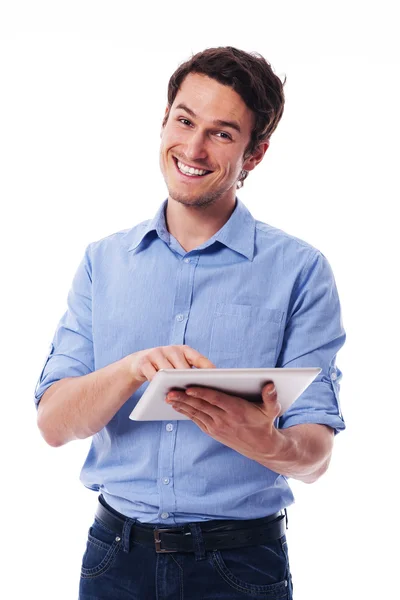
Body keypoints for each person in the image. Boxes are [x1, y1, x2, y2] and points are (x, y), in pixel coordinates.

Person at [34, 46, 345, 599]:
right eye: (184, 121)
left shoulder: (301, 271)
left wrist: (264, 443)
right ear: (164, 122)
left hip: (241, 565)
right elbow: (54, 424)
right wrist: (131, 370)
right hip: (114, 562)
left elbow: (316, 454)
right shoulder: (101, 262)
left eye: (223, 133)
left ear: (256, 153)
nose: (194, 148)